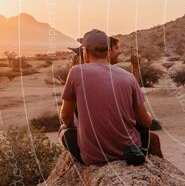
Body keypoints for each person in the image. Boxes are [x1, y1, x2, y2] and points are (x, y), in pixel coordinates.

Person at [58, 29, 155, 166]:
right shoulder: (129, 77)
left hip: (94, 159)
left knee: (63, 130)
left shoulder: (75, 73)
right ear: (108, 51)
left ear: (85, 51)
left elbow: (65, 115)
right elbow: (146, 122)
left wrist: (72, 127)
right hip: (130, 153)